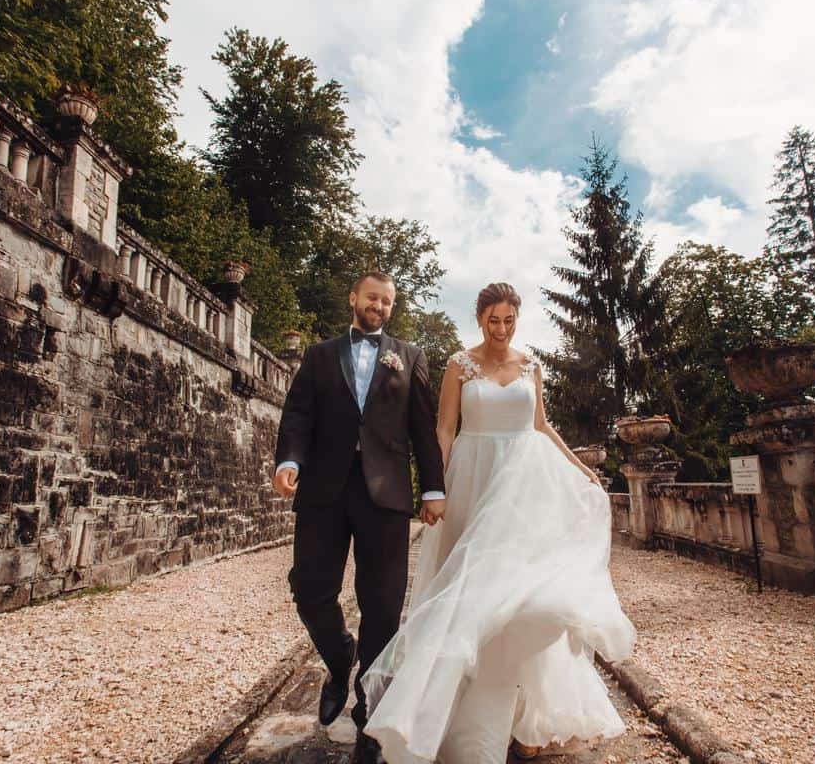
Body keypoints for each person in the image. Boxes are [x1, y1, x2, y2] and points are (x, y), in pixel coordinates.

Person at [362, 282, 637, 764]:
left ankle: (530, 713)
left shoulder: (531, 365)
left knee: (525, 595)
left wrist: (578, 467)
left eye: (510, 320)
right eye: (494, 320)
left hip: (525, 490)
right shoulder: (458, 364)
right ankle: (450, 718)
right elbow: (444, 429)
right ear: (480, 319)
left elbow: (540, 426)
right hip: (472, 481)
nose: (502, 329)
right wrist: (434, 488)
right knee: (468, 596)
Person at [273, 272, 445, 764]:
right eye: (373, 298)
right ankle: (337, 656)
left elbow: (423, 429)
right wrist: (289, 460)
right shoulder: (319, 355)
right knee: (310, 588)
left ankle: (370, 710)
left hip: (386, 494)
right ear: (354, 298)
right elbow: (297, 414)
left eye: (388, 302)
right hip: (324, 489)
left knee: (384, 604)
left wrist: (433, 487)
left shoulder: (410, 357)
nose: (380, 306)